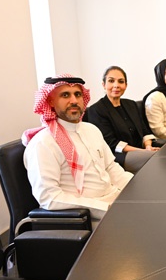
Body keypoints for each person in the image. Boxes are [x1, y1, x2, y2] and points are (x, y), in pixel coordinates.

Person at [22, 74, 133, 225]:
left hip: (116, 200)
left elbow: (111, 168)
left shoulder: (92, 129)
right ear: (51, 101)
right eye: (65, 95)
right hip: (88, 217)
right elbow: (49, 197)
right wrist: (106, 208)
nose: (74, 100)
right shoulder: (44, 143)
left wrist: (137, 188)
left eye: (78, 94)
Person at [84, 66, 159, 171]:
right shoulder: (96, 110)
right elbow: (111, 143)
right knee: (157, 159)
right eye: (111, 81)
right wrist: (143, 152)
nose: (116, 85)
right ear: (103, 85)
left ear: (126, 85)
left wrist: (148, 146)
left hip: (142, 151)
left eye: (121, 81)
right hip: (118, 156)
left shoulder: (131, 104)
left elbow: (144, 130)